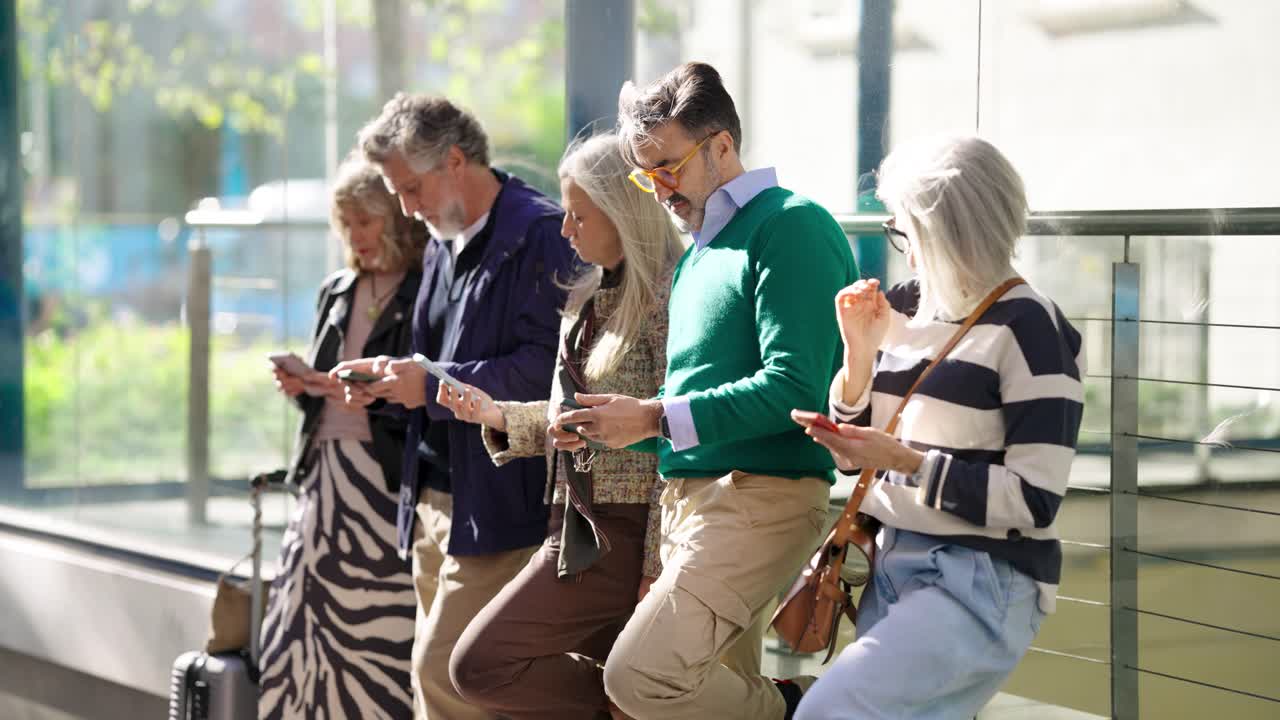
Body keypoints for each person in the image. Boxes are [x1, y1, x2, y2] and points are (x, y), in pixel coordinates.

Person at [552, 62, 860, 720]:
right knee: (693, 701)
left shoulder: (792, 225)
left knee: (639, 679)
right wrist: (621, 430)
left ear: (722, 145)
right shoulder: (698, 254)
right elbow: (698, 419)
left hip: (760, 499)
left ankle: (794, 709)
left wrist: (656, 416)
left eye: (668, 164)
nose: (657, 188)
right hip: (697, 503)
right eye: (645, 171)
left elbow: (795, 388)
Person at [791, 135, 1084, 720]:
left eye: (906, 232)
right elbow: (853, 460)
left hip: (981, 578)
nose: (903, 250)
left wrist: (905, 461)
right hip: (892, 560)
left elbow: (1035, 500)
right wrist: (857, 356)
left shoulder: (1031, 326)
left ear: (950, 228)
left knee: (827, 710)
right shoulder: (904, 305)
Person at [331, 93, 577, 720]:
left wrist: (431, 385)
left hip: (499, 503)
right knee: (450, 689)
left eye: (410, 189)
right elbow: (436, 356)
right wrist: (389, 378)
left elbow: (549, 370)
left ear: (456, 161)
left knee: (441, 677)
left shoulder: (539, 234)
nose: (405, 210)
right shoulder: (443, 239)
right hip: (438, 502)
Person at [439, 132, 685, 719]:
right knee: (520, 679)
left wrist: (655, 568)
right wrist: (498, 415)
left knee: (478, 666)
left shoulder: (665, 299)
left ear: (624, 212)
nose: (565, 229)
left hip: (615, 538)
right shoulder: (586, 297)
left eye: (579, 213)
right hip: (572, 521)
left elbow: (672, 435)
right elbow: (569, 420)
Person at [258, 156, 424, 720]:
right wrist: (303, 383)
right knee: (294, 624)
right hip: (322, 475)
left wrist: (359, 386)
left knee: (375, 631)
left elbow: (424, 391)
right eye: (347, 222)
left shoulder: (423, 288)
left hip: (381, 481)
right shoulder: (336, 289)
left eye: (367, 220)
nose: (356, 235)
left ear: (397, 220)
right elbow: (324, 387)